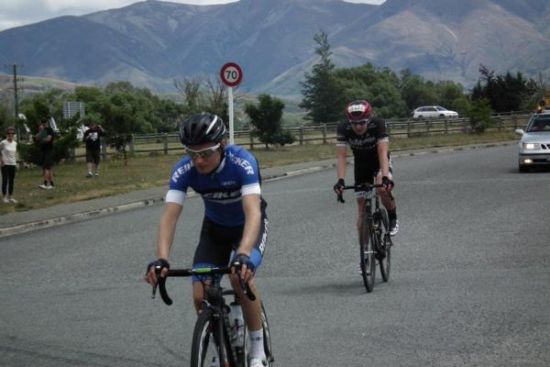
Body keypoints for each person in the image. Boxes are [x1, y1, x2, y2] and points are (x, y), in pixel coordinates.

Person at [144, 113, 269, 367]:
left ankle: (258, 350)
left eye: (206, 153)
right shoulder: (184, 169)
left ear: (222, 144)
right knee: (200, 293)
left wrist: (243, 253)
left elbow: (253, 210)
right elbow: (169, 216)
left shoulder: (242, 162)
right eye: (192, 153)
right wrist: (162, 259)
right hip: (215, 230)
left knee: (239, 276)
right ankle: (217, 345)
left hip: (248, 226)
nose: (198, 160)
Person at [333, 100, 399, 236]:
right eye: (354, 123)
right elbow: (341, 157)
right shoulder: (343, 127)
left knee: (382, 188)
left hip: (380, 161)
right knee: (361, 209)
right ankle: (364, 253)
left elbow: (382, 151)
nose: (358, 127)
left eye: (362, 122)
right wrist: (340, 180)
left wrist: (386, 177)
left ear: (369, 119)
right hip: (361, 164)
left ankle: (393, 217)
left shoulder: (378, 124)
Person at [34, 119, 55, 189]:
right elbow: (36, 138)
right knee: (48, 168)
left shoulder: (49, 130)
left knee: (46, 167)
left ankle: (45, 184)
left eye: (44, 123)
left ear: (47, 123)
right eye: (42, 124)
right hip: (44, 151)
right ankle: (51, 184)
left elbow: (48, 139)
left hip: (49, 150)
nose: (43, 125)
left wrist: (42, 139)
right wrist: (40, 131)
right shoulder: (42, 131)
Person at [0, 127, 18, 203]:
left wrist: (16, 162)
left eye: (12, 133)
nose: (10, 135)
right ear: (6, 134)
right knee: (5, 180)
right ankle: (4, 197)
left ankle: (10, 196)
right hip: (5, 164)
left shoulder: (15, 143)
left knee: (11, 181)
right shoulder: (3, 143)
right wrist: (1, 160)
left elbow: (14, 153)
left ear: (14, 134)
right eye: (9, 133)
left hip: (12, 164)